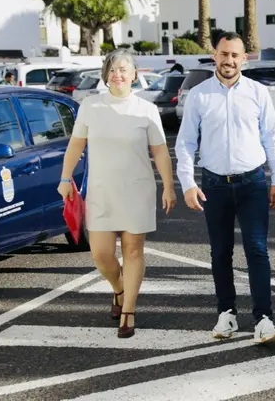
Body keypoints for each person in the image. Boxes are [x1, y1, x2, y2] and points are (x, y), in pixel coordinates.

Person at [57, 49, 176, 339]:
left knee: (134, 250)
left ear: (134, 75)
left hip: (137, 189)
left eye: (124, 69)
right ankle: (119, 288)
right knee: (101, 254)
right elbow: (75, 146)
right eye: (112, 69)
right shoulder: (91, 106)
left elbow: (159, 151)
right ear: (105, 75)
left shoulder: (146, 109)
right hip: (101, 190)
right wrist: (65, 178)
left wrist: (169, 186)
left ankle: (129, 311)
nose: (118, 74)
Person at [175, 32, 275, 344]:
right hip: (213, 185)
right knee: (220, 252)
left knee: (257, 251)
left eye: (235, 55)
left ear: (244, 58)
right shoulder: (199, 95)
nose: (229, 61)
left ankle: (264, 319)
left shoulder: (258, 93)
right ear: (215, 55)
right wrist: (187, 184)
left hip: (252, 183)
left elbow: (272, 140)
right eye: (224, 54)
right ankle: (227, 314)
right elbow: (184, 144)